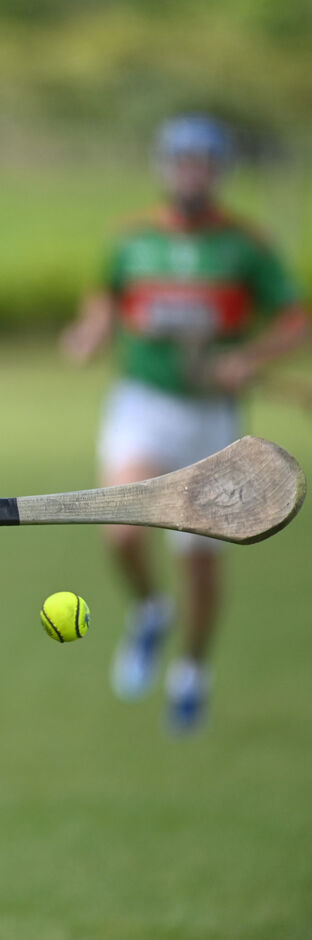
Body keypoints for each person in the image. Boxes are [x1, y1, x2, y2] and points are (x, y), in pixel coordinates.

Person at [61, 113, 308, 733]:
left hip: (212, 419)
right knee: (121, 527)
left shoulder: (246, 244)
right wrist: (90, 330)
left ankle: (193, 670)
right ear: (165, 167)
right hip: (143, 404)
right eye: (181, 161)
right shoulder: (130, 238)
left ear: (219, 171)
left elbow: (296, 320)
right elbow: (105, 298)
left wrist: (246, 359)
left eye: (203, 162)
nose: (191, 172)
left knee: (199, 561)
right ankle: (149, 611)